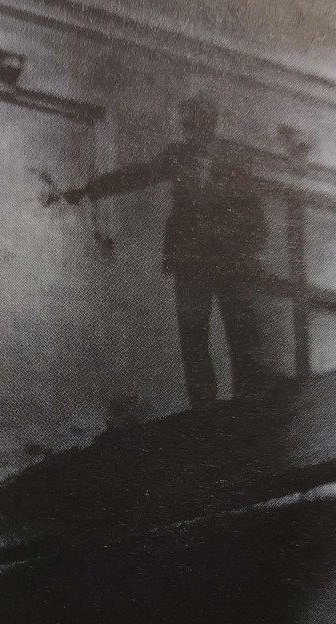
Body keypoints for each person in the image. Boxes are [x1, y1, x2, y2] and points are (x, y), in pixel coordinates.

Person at [44, 95, 274, 409]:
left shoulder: (234, 158)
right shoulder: (178, 155)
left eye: (196, 122)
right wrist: (90, 189)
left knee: (240, 332)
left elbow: (254, 213)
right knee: (194, 336)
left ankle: (247, 407)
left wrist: (247, 251)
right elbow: (137, 175)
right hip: (191, 259)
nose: (191, 130)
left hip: (227, 259)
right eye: (187, 124)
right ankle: (204, 411)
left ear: (211, 122)